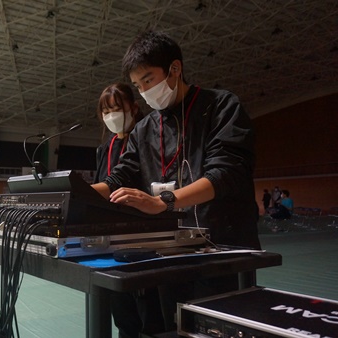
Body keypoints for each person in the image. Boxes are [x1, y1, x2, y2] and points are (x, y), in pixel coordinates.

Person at [91, 31, 261, 336]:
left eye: (148, 79)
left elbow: (226, 173)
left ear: (175, 69)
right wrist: (73, 194)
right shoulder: (144, 130)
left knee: (220, 328)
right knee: (175, 328)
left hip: (223, 249)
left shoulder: (221, 106)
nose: (144, 90)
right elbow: (119, 177)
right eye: (138, 85)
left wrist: (164, 201)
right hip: (172, 253)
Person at [94, 83, 140, 183]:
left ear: (134, 108)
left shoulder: (143, 141)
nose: (112, 116)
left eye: (118, 109)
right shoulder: (104, 149)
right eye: (106, 112)